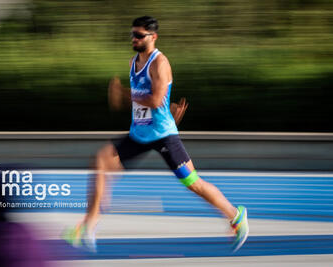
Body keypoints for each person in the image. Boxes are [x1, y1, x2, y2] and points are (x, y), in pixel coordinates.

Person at [64, 16, 249, 253]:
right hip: (139, 135)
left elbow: (154, 99)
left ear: (153, 37)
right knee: (101, 161)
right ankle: (89, 225)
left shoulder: (159, 63)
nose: (134, 39)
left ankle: (235, 215)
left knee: (192, 182)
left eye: (139, 35)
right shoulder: (133, 62)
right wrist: (120, 95)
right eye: (132, 34)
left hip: (163, 136)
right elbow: (141, 99)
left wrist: (124, 94)